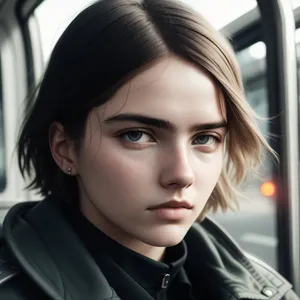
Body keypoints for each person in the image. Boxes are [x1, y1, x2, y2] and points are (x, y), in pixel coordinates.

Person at [0, 0, 298, 299]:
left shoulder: (261, 288)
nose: (181, 174)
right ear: (65, 148)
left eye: (205, 138)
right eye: (137, 135)